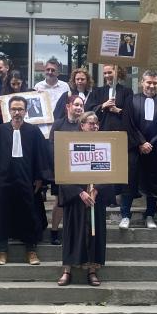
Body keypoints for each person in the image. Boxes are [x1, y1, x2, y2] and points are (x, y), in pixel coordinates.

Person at [0, 96, 51, 265]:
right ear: (8, 111)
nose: (17, 112)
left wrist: (40, 178)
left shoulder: (33, 131)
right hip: (4, 180)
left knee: (28, 213)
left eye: (20, 109)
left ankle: (31, 250)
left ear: (26, 111)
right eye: (14, 109)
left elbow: (41, 155)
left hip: (27, 180)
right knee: (2, 214)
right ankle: (2, 251)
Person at [57, 111, 111, 287]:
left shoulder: (105, 146)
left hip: (95, 196)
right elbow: (63, 174)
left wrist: (96, 189)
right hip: (75, 197)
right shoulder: (70, 145)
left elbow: (110, 172)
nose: (94, 126)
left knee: (95, 233)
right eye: (90, 123)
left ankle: (92, 270)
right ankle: (67, 270)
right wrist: (79, 192)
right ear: (82, 126)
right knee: (72, 232)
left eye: (96, 123)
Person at [120, 70, 157, 230]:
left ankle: (150, 215)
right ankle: (125, 215)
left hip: (154, 150)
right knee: (129, 182)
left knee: (152, 183)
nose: (151, 86)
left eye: (154, 83)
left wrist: (151, 144)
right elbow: (128, 124)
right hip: (135, 149)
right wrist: (141, 143)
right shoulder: (131, 100)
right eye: (148, 82)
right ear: (142, 82)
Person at [48, 95, 86, 245]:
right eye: (76, 105)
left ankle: (75, 233)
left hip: (80, 170)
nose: (79, 108)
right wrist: (58, 167)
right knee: (59, 201)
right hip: (61, 169)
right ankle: (54, 231)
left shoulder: (84, 126)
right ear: (68, 106)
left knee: (78, 201)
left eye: (81, 106)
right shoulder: (58, 124)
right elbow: (51, 147)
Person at [92, 65, 131, 132]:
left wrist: (118, 110)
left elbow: (130, 112)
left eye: (109, 72)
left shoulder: (127, 91)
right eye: (105, 73)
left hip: (121, 128)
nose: (107, 75)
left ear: (117, 72)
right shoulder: (98, 91)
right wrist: (103, 105)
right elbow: (92, 110)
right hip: (103, 128)